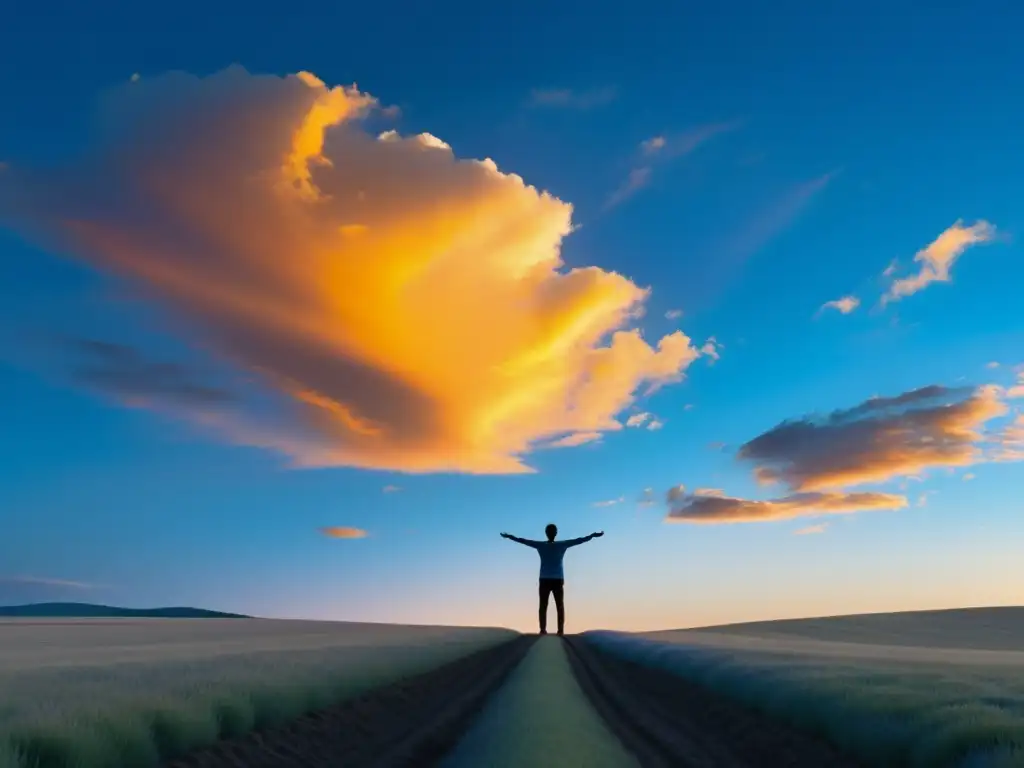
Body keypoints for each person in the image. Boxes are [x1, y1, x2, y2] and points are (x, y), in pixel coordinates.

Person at [500, 524, 604, 636]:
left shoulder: (550, 545)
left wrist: (592, 536)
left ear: (552, 533)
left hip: (550, 579)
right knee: (552, 605)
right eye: (550, 531)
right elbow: (524, 541)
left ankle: (552, 630)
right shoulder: (553, 545)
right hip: (551, 579)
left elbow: (579, 540)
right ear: (552, 533)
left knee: (550, 605)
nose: (551, 533)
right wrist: (592, 536)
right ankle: (551, 630)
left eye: (552, 531)